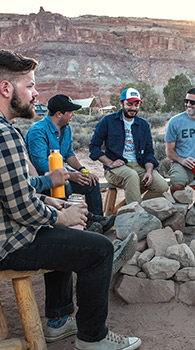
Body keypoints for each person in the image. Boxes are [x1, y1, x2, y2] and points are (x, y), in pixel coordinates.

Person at [0, 49, 141, 349]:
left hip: (9, 230)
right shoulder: (5, 135)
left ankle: (59, 321)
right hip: (7, 243)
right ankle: (93, 338)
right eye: (31, 86)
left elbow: (14, 190)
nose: (36, 94)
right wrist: (60, 215)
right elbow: (23, 206)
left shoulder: (7, 131)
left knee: (66, 231)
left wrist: (52, 204)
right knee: (98, 250)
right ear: (6, 88)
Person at [25, 94, 114, 233]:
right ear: (59, 114)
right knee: (65, 184)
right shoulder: (38, 131)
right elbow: (41, 165)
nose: (73, 114)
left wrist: (82, 170)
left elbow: (69, 154)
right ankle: (67, 228)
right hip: (43, 180)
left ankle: (97, 223)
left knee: (91, 182)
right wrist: (70, 176)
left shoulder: (66, 128)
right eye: (70, 112)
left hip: (62, 174)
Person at [89, 88, 168, 205]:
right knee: (131, 176)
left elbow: (148, 152)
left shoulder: (144, 125)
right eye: (129, 104)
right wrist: (110, 163)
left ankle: (134, 209)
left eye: (136, 105)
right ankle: (136, 215)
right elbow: (94, 147)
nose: (133, 108)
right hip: (115, 168)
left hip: (139, 166)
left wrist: (149, 171)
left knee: (162, 186)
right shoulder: (108, 121)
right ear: (121, 103)